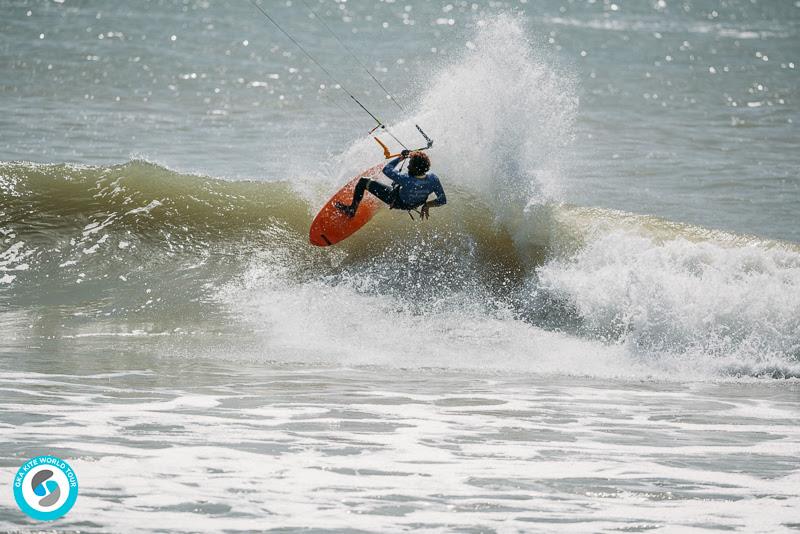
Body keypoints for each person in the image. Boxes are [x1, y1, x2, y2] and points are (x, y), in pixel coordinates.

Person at [335, 150, 446, 220]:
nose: (407, 167)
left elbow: (387, 169)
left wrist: (401, 158)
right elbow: (442, 200)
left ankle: (352, 210)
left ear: (415, 168)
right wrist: (427, 205)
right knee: (396, 185)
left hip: (396, 201)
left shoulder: (405, 179)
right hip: (414, 204)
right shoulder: (433, 179)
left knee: (363, 181)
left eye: (410, 165)